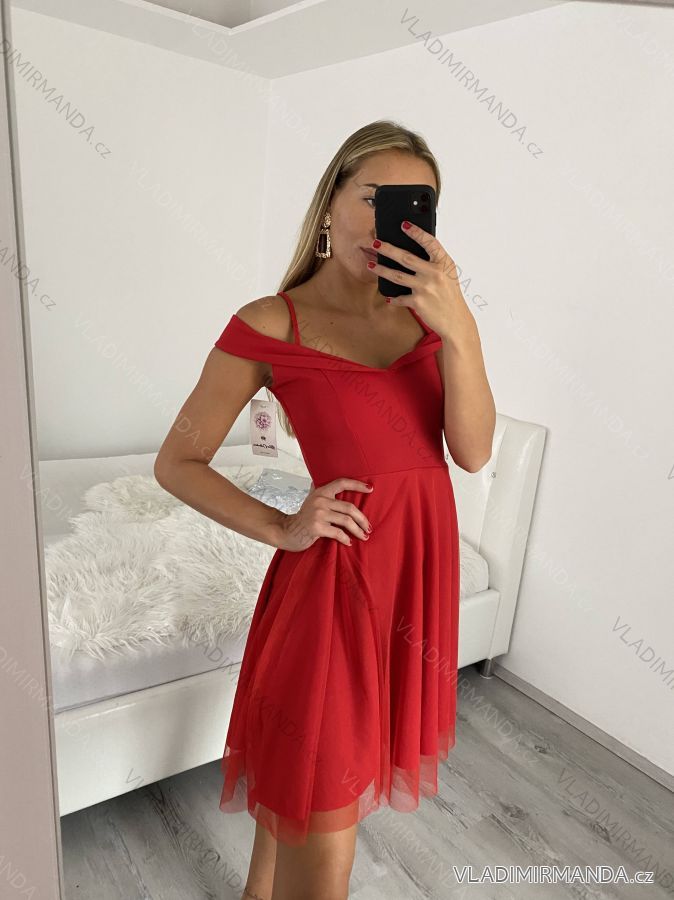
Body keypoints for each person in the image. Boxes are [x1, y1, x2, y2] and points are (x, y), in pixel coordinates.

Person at [154, 119, 495, 900]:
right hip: (334, 591)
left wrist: (463, 329)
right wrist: (282, 525)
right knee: (325, 820)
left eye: (414, 204)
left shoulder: (431, 319)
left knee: (306, 788)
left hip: (415, 582)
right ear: (329, 203)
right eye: (373, 197)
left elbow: (472, 452)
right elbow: (177, 461)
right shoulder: (271, 322)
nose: (388, 222)